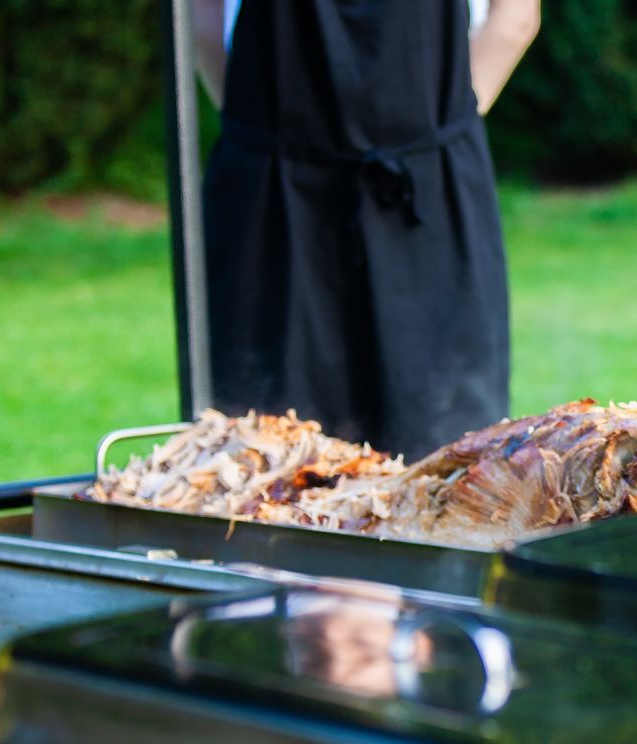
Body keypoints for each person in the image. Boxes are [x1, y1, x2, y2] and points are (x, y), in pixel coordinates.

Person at [190, 0, 540, 456]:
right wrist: (440, 128)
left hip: (274, 190)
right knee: (442, 465)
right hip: (419, 186)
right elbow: (515, 19)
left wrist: (260, 130)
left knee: (262, 462)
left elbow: (199, 20)